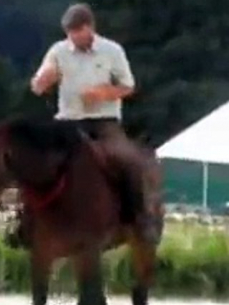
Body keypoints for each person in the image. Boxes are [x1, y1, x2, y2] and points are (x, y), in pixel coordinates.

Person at [20, 2, 155, 244]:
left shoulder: (112, 50)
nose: (74, 38)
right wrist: (43, 82)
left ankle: (140, 219)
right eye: (70, 34)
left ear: (90, 28)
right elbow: (37, 85)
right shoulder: (58, 51)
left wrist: (104, 93)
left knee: (127, 160)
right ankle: (25, 221)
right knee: (36, 160)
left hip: (103, 121)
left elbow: (128, 86)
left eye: (77, 32)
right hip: (68, 121)